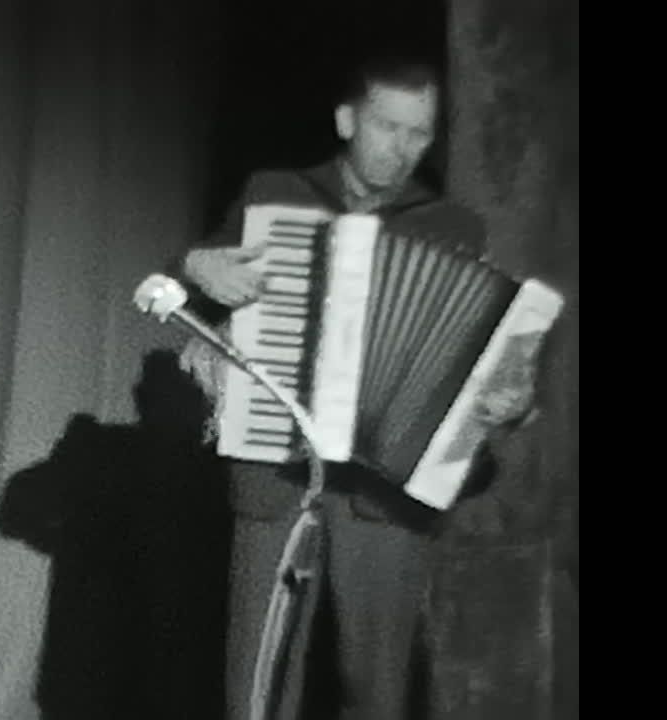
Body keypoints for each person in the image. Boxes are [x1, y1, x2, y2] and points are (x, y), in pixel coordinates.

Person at [170, 56, 539, 720]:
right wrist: (200, 270)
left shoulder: (454, 227)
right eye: (386, 126)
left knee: (378, 685)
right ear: (347, 120)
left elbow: (480, 368)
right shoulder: (274, 193)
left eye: (417, 134)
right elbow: (207, 275)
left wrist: (509, 407)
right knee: (258, 680)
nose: (400, 149)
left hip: (382, 491)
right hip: (276, 466)